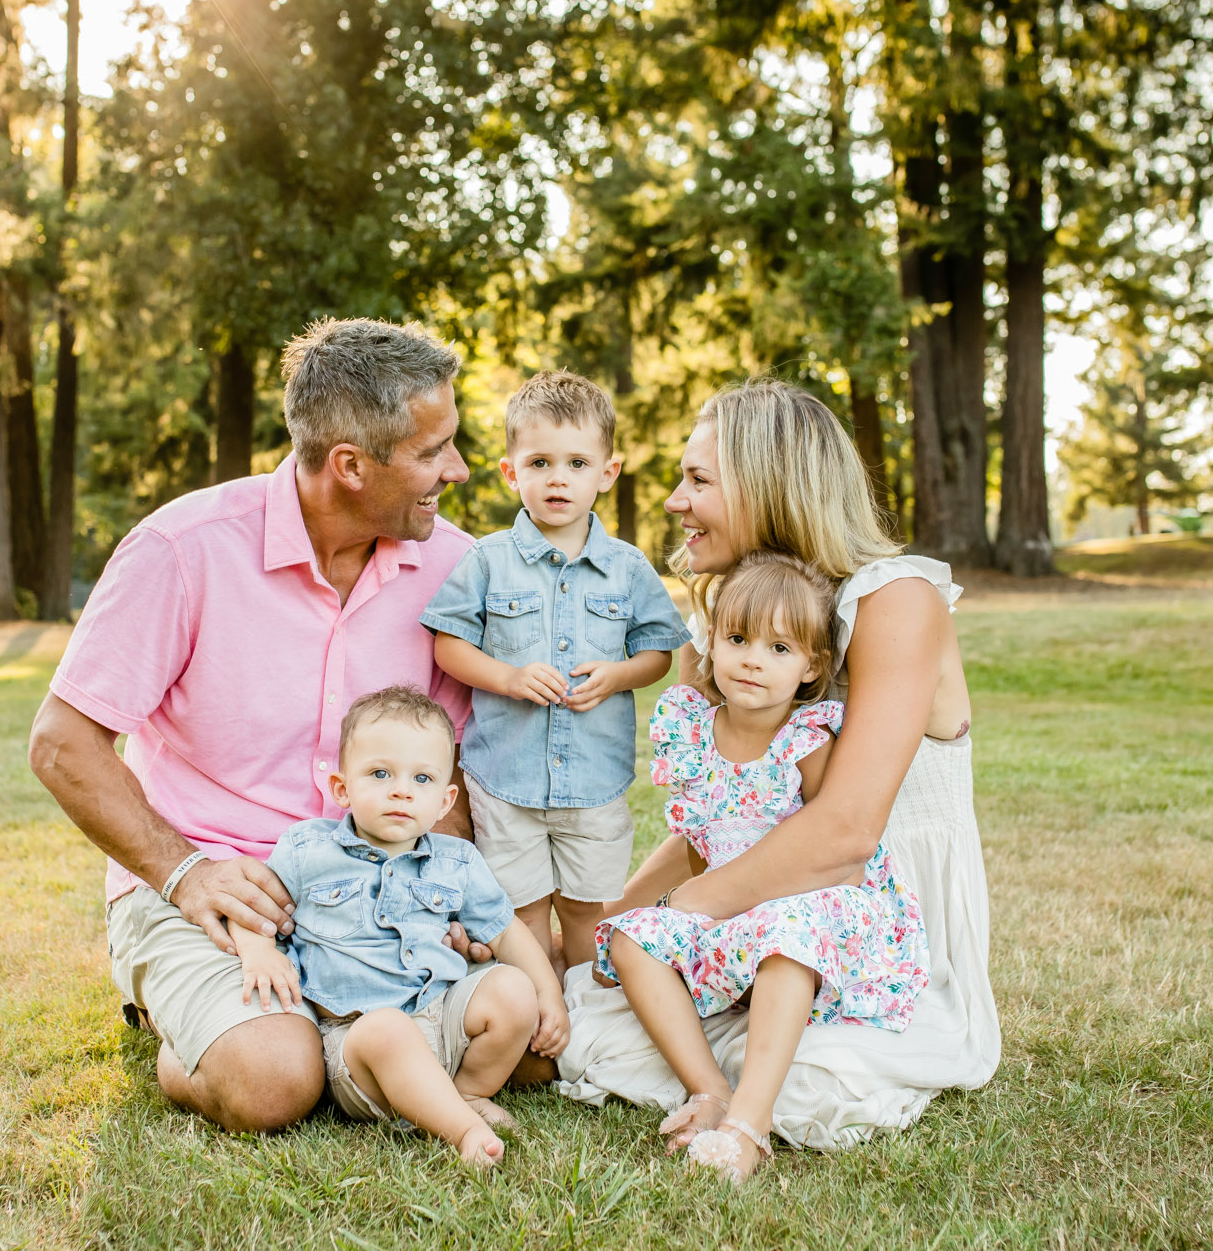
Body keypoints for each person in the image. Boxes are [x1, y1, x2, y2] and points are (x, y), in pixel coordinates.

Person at [27, 318, 490, 1133]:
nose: (456, 469)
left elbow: (449, 761)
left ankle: (305, 1021)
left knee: (517, 1040)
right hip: (217, 888)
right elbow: (61, 744)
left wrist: (447, 892)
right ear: (350, 465)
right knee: (275, 1080)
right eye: (432, 451)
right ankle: (198, 1020)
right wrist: (184, 870)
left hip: (382, 883)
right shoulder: (184, 548)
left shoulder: (455, 568)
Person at [555, 379, 1000, 1148]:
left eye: (698, 480)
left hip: (863, 919)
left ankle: (746, 1098)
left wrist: (683, 911)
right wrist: (613, 923)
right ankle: (714, 1069)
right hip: (745, 899)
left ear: (771, 484)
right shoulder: (734, 623)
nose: (672, 501)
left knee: (812, 1090)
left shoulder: (894, 599)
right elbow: (720, 818)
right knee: (580, 1008)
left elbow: (848, 830)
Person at [593, 552, 930, 1180]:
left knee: (784, 932)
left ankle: (749, 1122)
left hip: (818, 902)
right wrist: (655, 911)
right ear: (713, 640)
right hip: (730, 907)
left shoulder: (807, 740)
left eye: (780, 648)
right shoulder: (692, 729)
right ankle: (709, 1089)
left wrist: (756, 906)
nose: (753, 659)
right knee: (633, 940)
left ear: (812, 668)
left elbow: (834, 851)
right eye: (739, 639)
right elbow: (700, 841)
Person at [232, 687, 568, 1167]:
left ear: (444, 798)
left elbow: (504, 930)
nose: (401, 790)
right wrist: (259, 951)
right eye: (380, 773)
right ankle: (464, 1130)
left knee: (513, 988)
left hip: (441, 1022)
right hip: (359, 1047)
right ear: (342, 787)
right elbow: (254, 908)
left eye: (422, 778)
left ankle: (466, 1092)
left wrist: (548, 994)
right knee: (387, 1029)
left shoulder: (457, 861)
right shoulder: (309, 851)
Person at [420, 372, 688, 973]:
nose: (558, 478)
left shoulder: (627, 567)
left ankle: (583, 1013)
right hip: (507, 776)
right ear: (512, 472)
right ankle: (540, 1017)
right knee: (524, 912)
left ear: (607, 473)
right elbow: (449, 646)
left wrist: (618, 676)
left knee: (587, 909)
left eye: (576, 463)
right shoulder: (486, 561)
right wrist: (508, 679)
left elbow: (658, 654)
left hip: (594, 781)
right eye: (539, 463)